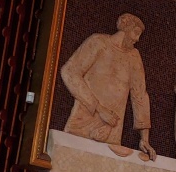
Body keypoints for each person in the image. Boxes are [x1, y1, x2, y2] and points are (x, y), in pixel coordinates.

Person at [60, 13, 156, 159]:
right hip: (82, 124)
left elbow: (140, 95)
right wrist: (99, 108)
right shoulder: (98, 42)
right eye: (136, 33)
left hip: (111, 132)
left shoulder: (134, 56)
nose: (137, 39)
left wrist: (145, 139)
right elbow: (69, 72)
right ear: (125, 28)